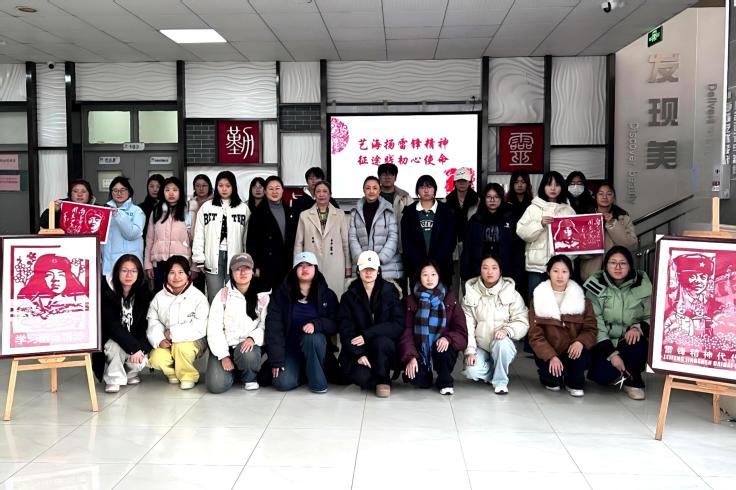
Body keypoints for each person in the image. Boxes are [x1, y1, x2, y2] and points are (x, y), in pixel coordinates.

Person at [265, 252, 339, 393]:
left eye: (309, 265)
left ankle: (318, 384)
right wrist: (276, 359)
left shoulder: (327, 294)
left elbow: (335, 323)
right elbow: (274, 327)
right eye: (300, 265)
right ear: (294, 270)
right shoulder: (281, 294)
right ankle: (305, 372)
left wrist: (316, 325)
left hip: (316, 348)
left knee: (312, 338)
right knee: (282, 383)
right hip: (290, 348)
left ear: (315, 268)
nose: (305, 268)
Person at [584, 246, 652, 400]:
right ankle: (617, 370)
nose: (618, 267)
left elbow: (653, 315)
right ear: (605, 265)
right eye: (613, 263)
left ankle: (632, 380)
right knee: (602, 377)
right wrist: (611, 354)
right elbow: (595, 321)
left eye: (623, 263)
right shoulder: (595, 284)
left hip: (628, 340)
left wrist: (639, 328)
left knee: (637, 342)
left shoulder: (642, 283)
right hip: (604, 341)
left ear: (630, 265)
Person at [528, 255, 597, 397]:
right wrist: (551, 356)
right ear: (548, 272)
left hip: (573, 351)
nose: (560, 276)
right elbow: (535, 335)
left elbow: (590, 329)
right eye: (555, 271)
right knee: (553, 383)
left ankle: (573, 378)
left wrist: (580, 342)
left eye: (564, 271)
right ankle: (551, 374)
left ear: (570, 273)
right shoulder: (538, 298)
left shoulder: (583, 300)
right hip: (549, 350)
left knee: (577, 384)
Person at [338, 251, 403, 397]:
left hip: (384, 347)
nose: (368, 272)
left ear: (378, 271)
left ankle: (383, 379)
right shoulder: (348, 297)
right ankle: (373, 375)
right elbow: (346, 330)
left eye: (372, 269)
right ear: (358, 271)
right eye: (364, 268)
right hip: (360, 348)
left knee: (381, 341)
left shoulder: (390, 293)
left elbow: (397, 325)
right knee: (361, 377)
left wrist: (367, 334)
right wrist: (359, 354)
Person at [399, 260, 468, 395]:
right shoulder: (410, 300)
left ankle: (445, 380)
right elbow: (406, 333)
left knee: (443, 349)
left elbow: (461, 332)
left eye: (433, 274)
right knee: (419, 380)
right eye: (425, 275)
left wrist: (448, 338)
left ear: (439, 276)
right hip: (420, 349)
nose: (429, 279)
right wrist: (411, 357)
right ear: (419, 277)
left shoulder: (449, 298)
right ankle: (424, 370)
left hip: (442, 348)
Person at [462, 255, 528, 394]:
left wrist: (507, 330)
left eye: (494, 268)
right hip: (481, 345)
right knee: (471, 371)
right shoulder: (470, 294)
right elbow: (467, 326)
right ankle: (495, 371)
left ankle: (500, 382)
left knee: (501, 344)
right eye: (485, 268)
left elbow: (522, 320)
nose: (489, 272)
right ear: (480, 270)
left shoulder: (512, 293)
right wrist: (470, 351)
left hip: (503, 344)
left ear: (500, 270)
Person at [205, 253, 270, 394]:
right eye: (237, 269)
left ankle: (249, 377)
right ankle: (234, 372)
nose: (242, 272)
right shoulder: (223, 295)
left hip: (248, 347)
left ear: (252, 271)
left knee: (249, 354)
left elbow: (266, 325)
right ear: (231, 272)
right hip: (226, 348)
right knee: (216, 385)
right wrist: (223, 355)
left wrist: (253, 338)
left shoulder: (262, 295)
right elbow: (214, 328)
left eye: (246, 268)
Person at [147, 256, 209, 390]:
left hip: (194, 340)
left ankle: (188, 376)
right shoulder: (159, 297)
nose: (176, 277)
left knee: (181, 348)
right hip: (167, 340)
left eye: (181, 272)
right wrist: (160, 339)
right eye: (172, 273)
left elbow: (200, 326)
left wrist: (172, 334)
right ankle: (173, 373)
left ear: (188, 274)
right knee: (156, 357)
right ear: (166, 275)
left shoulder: (198, 297)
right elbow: (153, 321)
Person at [93, 254, 153, 393]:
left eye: (133, 271)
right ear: (117, 272)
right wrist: (133, 348)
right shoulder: (106, 292)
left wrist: (140, 348)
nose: (129, 275)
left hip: (133, 340)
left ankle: (131, 373)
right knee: (116, 346)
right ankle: (114, 378)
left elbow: (144, 326)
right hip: (110, 340)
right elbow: (112, 327)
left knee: (140, 355)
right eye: (124, 270)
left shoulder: (144, 293)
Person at [192, 170, 250, 303]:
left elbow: (247, 237)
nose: (224, 189)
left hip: (236, 258)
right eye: (221, 185)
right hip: (212, 257)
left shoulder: (243, 208)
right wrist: (199, 258)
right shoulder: (207, 207)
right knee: (215, 297)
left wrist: (246, 259)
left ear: (233, 187)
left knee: (234, 296)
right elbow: (199, 234)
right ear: (216, 187)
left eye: (228, 186)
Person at [516, 171, 575, 298]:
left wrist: (569, 258)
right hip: (537, 267)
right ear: (543, 187)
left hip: (561, 267)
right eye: (549, 185)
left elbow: (576, 239)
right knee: (536, 301)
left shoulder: (568, 210)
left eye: (557, 185)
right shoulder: (533, 208)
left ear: (562, 187)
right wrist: (540, 224)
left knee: (560, 302)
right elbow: (521, 232)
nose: (553, 188)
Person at [460, 183, 524, 291]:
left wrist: (518, 274)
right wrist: (465, 273)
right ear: (484, 199)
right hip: (479, 271)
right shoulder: (475, 220)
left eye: (496, 197)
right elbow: (467, 248)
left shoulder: (511, 219)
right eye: (489, 197)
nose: (492, 200)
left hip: (506, 271)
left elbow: (517, 249)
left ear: (501, 198)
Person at [294, 180, 350, 298]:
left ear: (330, 194)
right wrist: (297, 265)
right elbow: (299, 243)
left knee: (335, 295)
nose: (321, 194)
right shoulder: (304, 215)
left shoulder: (340, 214)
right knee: (313, 296)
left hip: (335, 263)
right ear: (314, 195)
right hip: (311, 263)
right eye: (318, 191)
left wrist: (348, 266)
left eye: (325, 191)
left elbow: (345, 242)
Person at [401, 175, 456, 289]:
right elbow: (407, 242)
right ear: (417, 191)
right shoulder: (409, 212)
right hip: (416, 268)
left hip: (442, 267)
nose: (426, 190)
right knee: (419, 298)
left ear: (435, 189)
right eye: (422, 187)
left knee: (442, 298)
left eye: (429, 187)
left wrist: (434, 264)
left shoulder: (446, 211)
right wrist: (421, 264)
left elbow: (450, 240)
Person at [247, 176, 298, 290]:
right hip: (266, 265)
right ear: (265, 191)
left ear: (283, 190)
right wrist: (255, 265)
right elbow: (251, 242)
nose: (274, 192)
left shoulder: (290, 211)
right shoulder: (257, 213)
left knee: (285, 295)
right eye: (270, 189)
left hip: (286, 263)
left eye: (277, 188)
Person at [579, 183, 638, 280]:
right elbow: (578, 250)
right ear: (595, 197)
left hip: (617, 275)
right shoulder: (586, 217)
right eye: (601, 193)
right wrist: (592, 251)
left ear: (614, 197)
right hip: (591, 275)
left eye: (609, 194)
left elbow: (630, 244)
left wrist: (612, 223)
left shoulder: (623, 217)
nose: (604, 197)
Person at [348, 176, 402, 281]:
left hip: (386, 267)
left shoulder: (388, 210)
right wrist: (363, 260)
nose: (371, 191)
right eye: (368, 188)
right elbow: (352, 238)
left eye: (375, 188)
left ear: (379, 190)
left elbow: (393, 237)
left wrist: (379, 259)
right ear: (363, 190)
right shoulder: (355, 211)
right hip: (363, 267)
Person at [144, 177, 191, 292]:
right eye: (167, 190)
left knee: (180, 295)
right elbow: (149, 240)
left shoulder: (187, 212)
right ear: (162, 192)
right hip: (160, 263)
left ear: (180, 192)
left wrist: (194, 266)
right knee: (160, 295)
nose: (171, 193)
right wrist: (148, 264)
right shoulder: (156, 212)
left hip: (181, 264)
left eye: (175, 190)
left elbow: (194, 240)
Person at [18, 253, 88, 317]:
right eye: (49, 275)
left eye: (61, 275)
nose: (55, 279)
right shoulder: (29, 301)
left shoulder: (79, 301)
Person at [102, 176, 145, 276]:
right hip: (109, 263)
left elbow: (132, 234)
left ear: (129, 191)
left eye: (122, 190)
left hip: (129, 264)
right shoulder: (105, 210)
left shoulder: (137, 211)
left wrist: (118, 215)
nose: (119, 193)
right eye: (115, 190)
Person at [377, 163, 414, 252]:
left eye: (391, 174)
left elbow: (413, 222)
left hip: (400, 243)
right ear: (379, 177)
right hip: (378, 244)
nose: (387, 177)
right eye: (384, 174)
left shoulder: (405, 197)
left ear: (395, 177)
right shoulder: (372, 197)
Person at [188, 174, 214, 293]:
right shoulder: (190, 204)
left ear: (210, 187)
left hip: (210, 250)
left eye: (204, 185)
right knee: (196, 289)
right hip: (192, 249)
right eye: (197, 186)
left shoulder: (215, 204)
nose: (201, 188)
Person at [445, 167, 479, 247]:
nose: (461, 183)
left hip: (473, 242)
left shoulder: (478, 202)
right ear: (455, 183)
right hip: (452, 242)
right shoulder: (446, 201)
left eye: (464, 181)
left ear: (469, 183)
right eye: (459, 181)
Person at [138, 174, 165, 246]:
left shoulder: (168, 208)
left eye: (158, 187)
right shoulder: (140, 208)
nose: (155, 189)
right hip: (145, 245)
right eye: (151, 186)